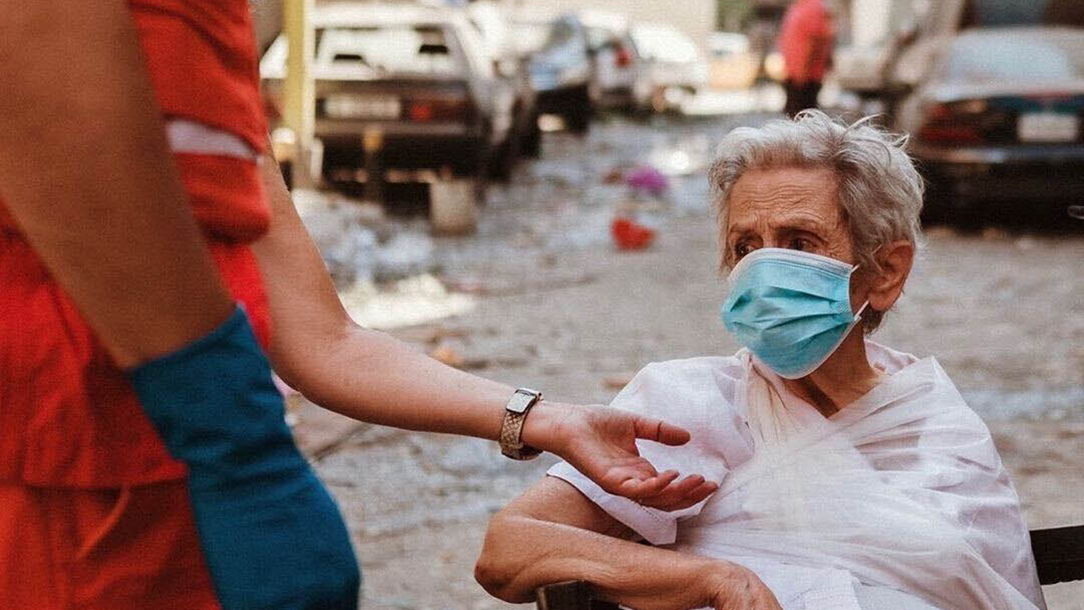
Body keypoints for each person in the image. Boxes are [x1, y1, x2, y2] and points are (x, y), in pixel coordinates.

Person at [0, 2, 706, 609]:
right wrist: (227, 433)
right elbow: (32, 68)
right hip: (69, 490)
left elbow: (325, 338)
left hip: (178, 486)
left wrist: (547, 417)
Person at [474, 111, 1047, 610]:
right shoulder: (688, 404)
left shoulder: (937, 423)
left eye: (798, 243)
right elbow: (509, 548)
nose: (765, 270)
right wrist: (715, 579)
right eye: (746, 246)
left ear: (886, 271)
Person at [778, 0, 834, 117]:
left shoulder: (813, 7)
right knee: (793, 116)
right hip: (794, 74)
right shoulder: (798, 7)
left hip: (805, 78)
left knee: (802, 118)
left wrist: (803, 71)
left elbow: (816, 40)